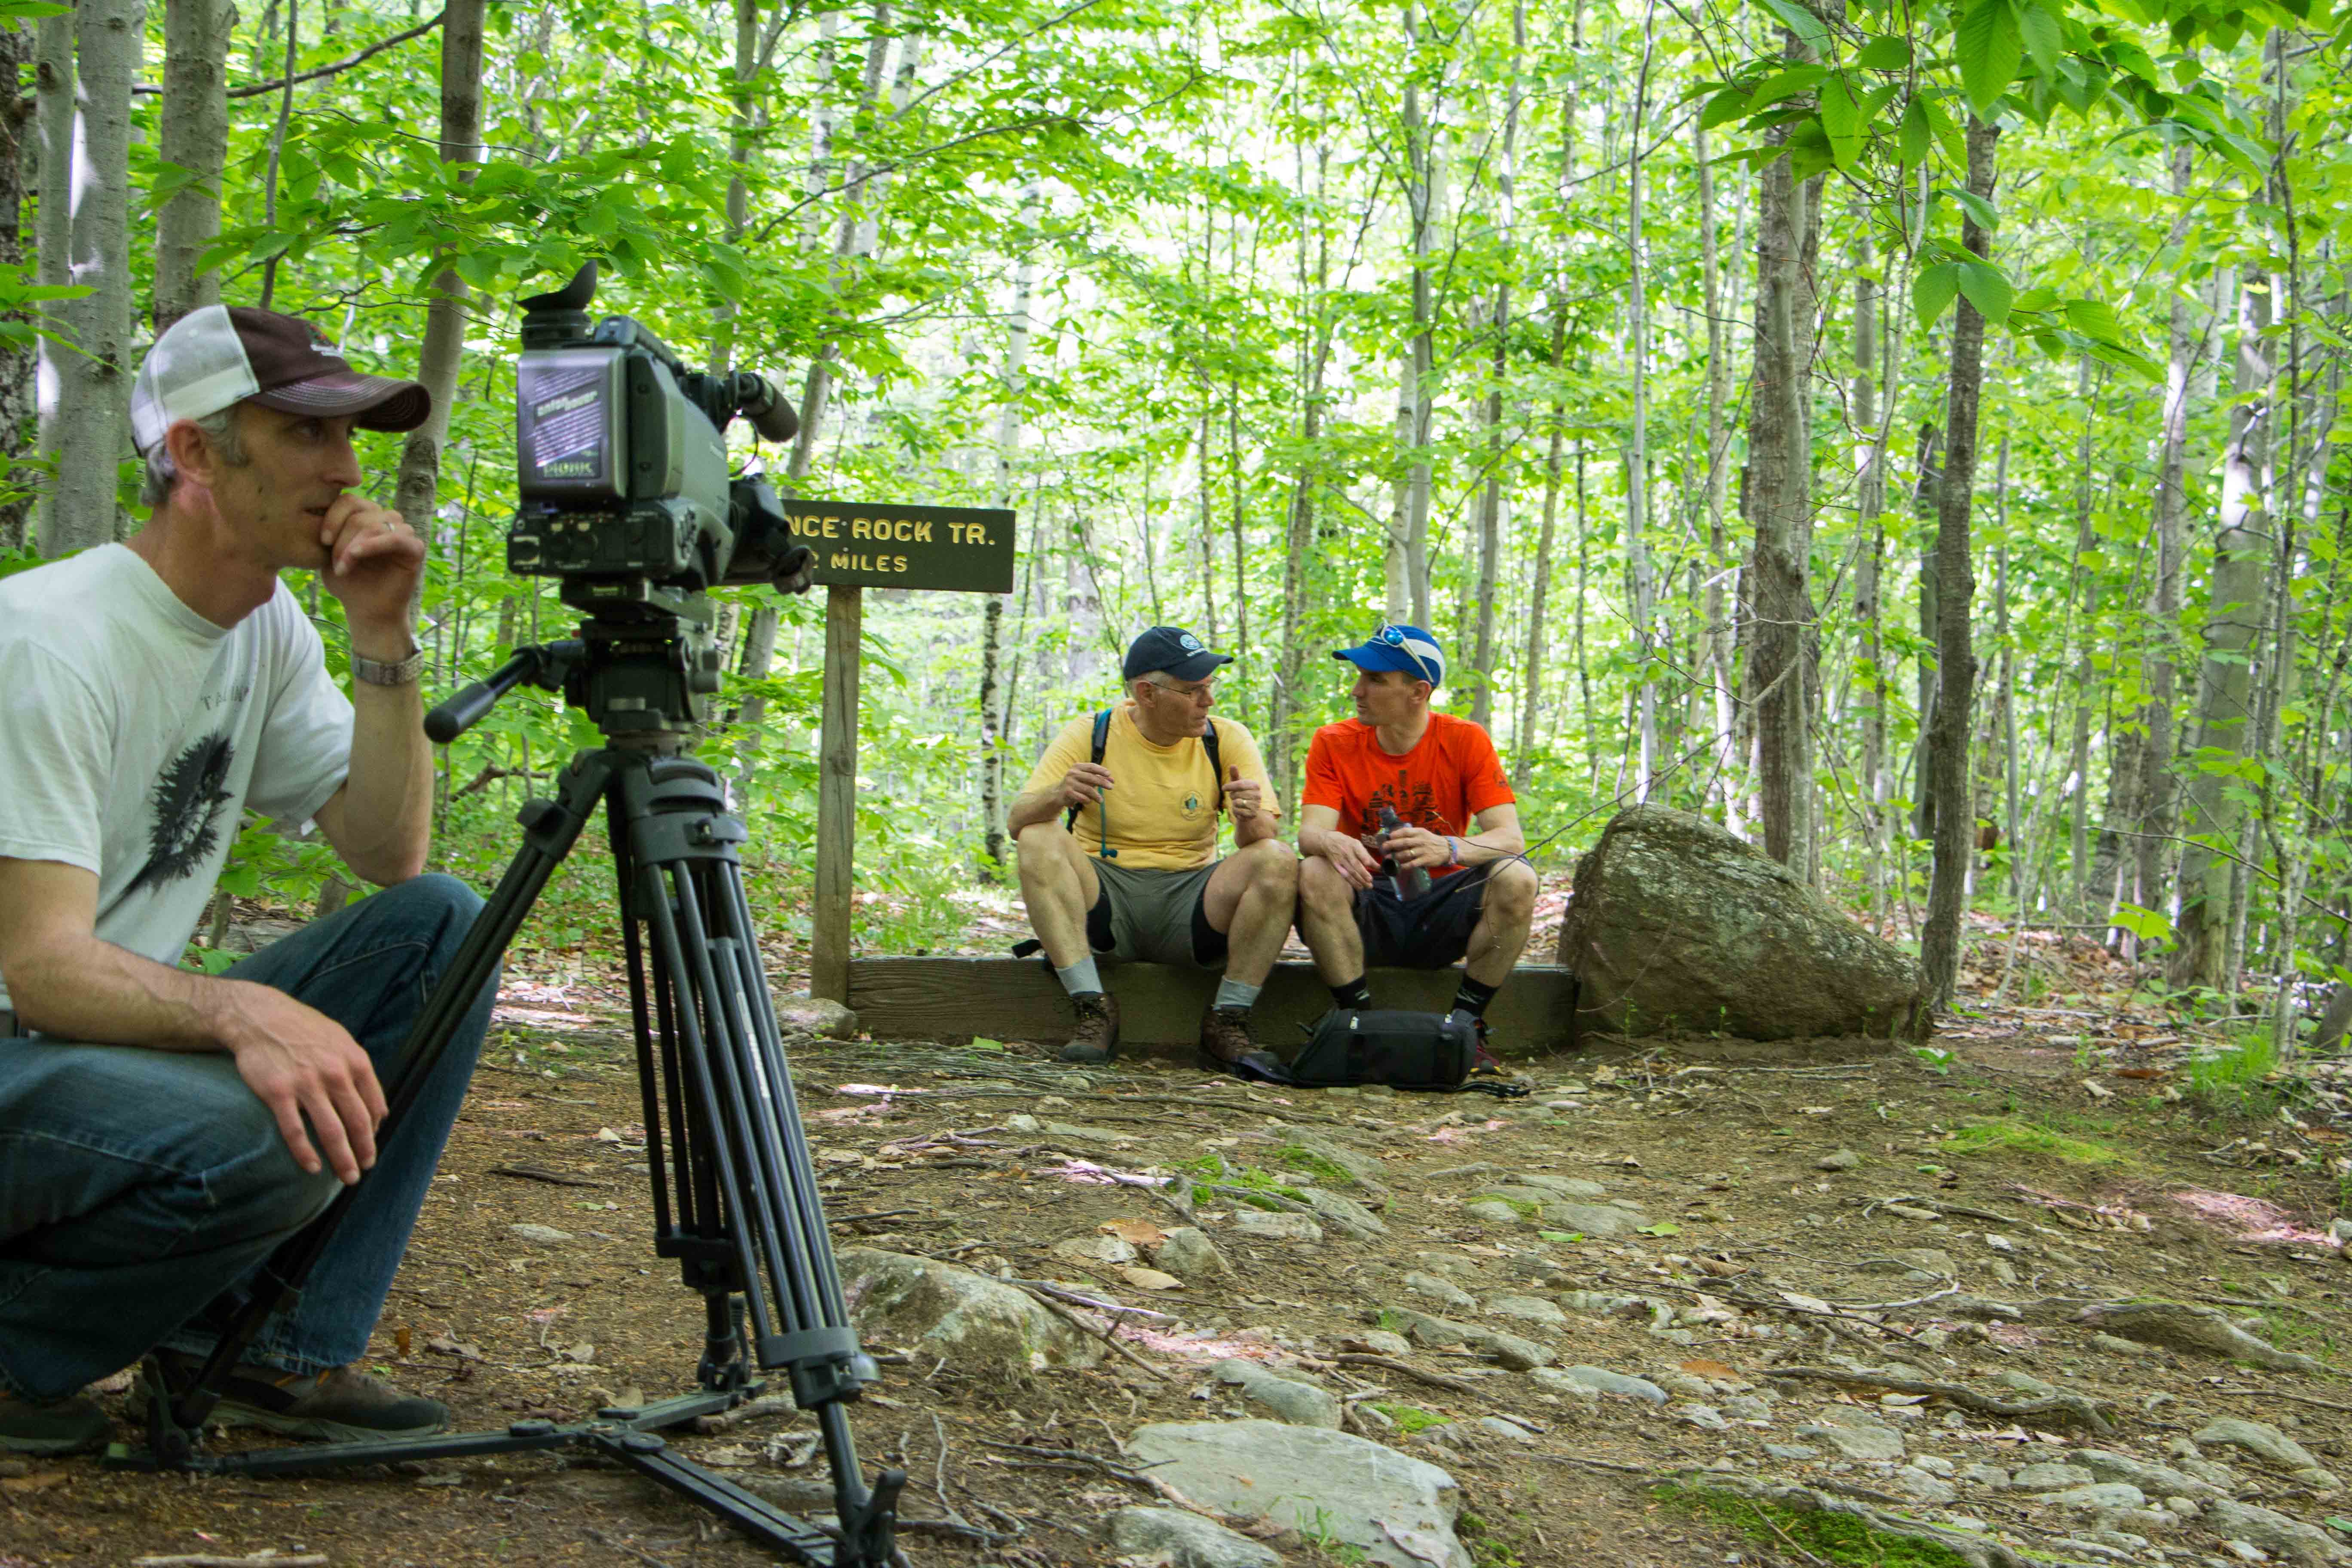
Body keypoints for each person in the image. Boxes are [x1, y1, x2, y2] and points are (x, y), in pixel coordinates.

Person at [0, 306, 499, 1455]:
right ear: (194, 456)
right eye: (305, 436)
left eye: (351, 436)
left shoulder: (264, 624)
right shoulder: (51, 638)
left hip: (79, 1061)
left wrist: (383, 637)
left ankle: (271, 1356)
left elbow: (388, 856)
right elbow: (40, 973)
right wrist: (240, 1009)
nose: (346, 467)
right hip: (22, 1046)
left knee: (441, 927)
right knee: (272, 1136)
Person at [1010, 627, 1296, 1069]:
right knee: (1036, 835)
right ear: (1147, 693)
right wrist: (1058, 794)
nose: (1209, 701)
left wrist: (1250, 814)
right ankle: (1093, 1008)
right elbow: (1017, 820)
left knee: (1278, 860)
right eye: (1193, 690)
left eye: (1209, 687)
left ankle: (1228, 1018)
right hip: (1104, 899)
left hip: (1192, 903)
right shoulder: (1093, 732)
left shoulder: (1226, 738)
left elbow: (1259, 844)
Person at [1294, 623, 1538, 1037]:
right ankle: (1358, 1024)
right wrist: (1330, 839)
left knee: (1517, 877)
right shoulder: (1333, 742)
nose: (1357, 690)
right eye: (1360, 678)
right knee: (1314, 869)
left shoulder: (1465, 740)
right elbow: (1309, 834)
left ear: (1419, 692)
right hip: (1368, 899)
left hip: (1441, 905)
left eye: (1375, 680)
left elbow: (1510, 838)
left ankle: (1466, 1026)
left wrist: (1448, 848)